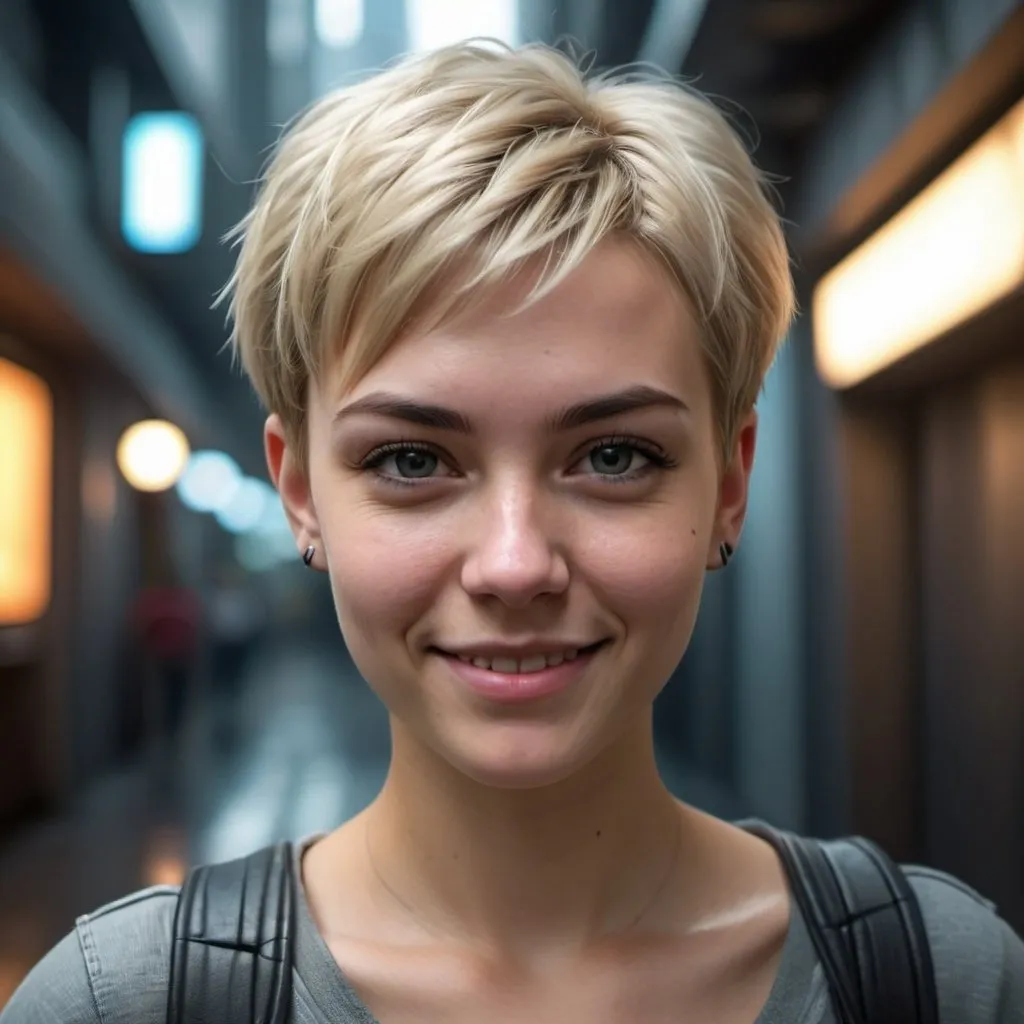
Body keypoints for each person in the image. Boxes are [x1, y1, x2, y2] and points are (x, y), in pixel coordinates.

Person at [3, 39, 1022, 1024]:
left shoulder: (947, 982)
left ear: (727, 483)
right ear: (301, 492)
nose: (513, 562)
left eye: (614, 456)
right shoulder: (120, 1003)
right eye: (411, 461)